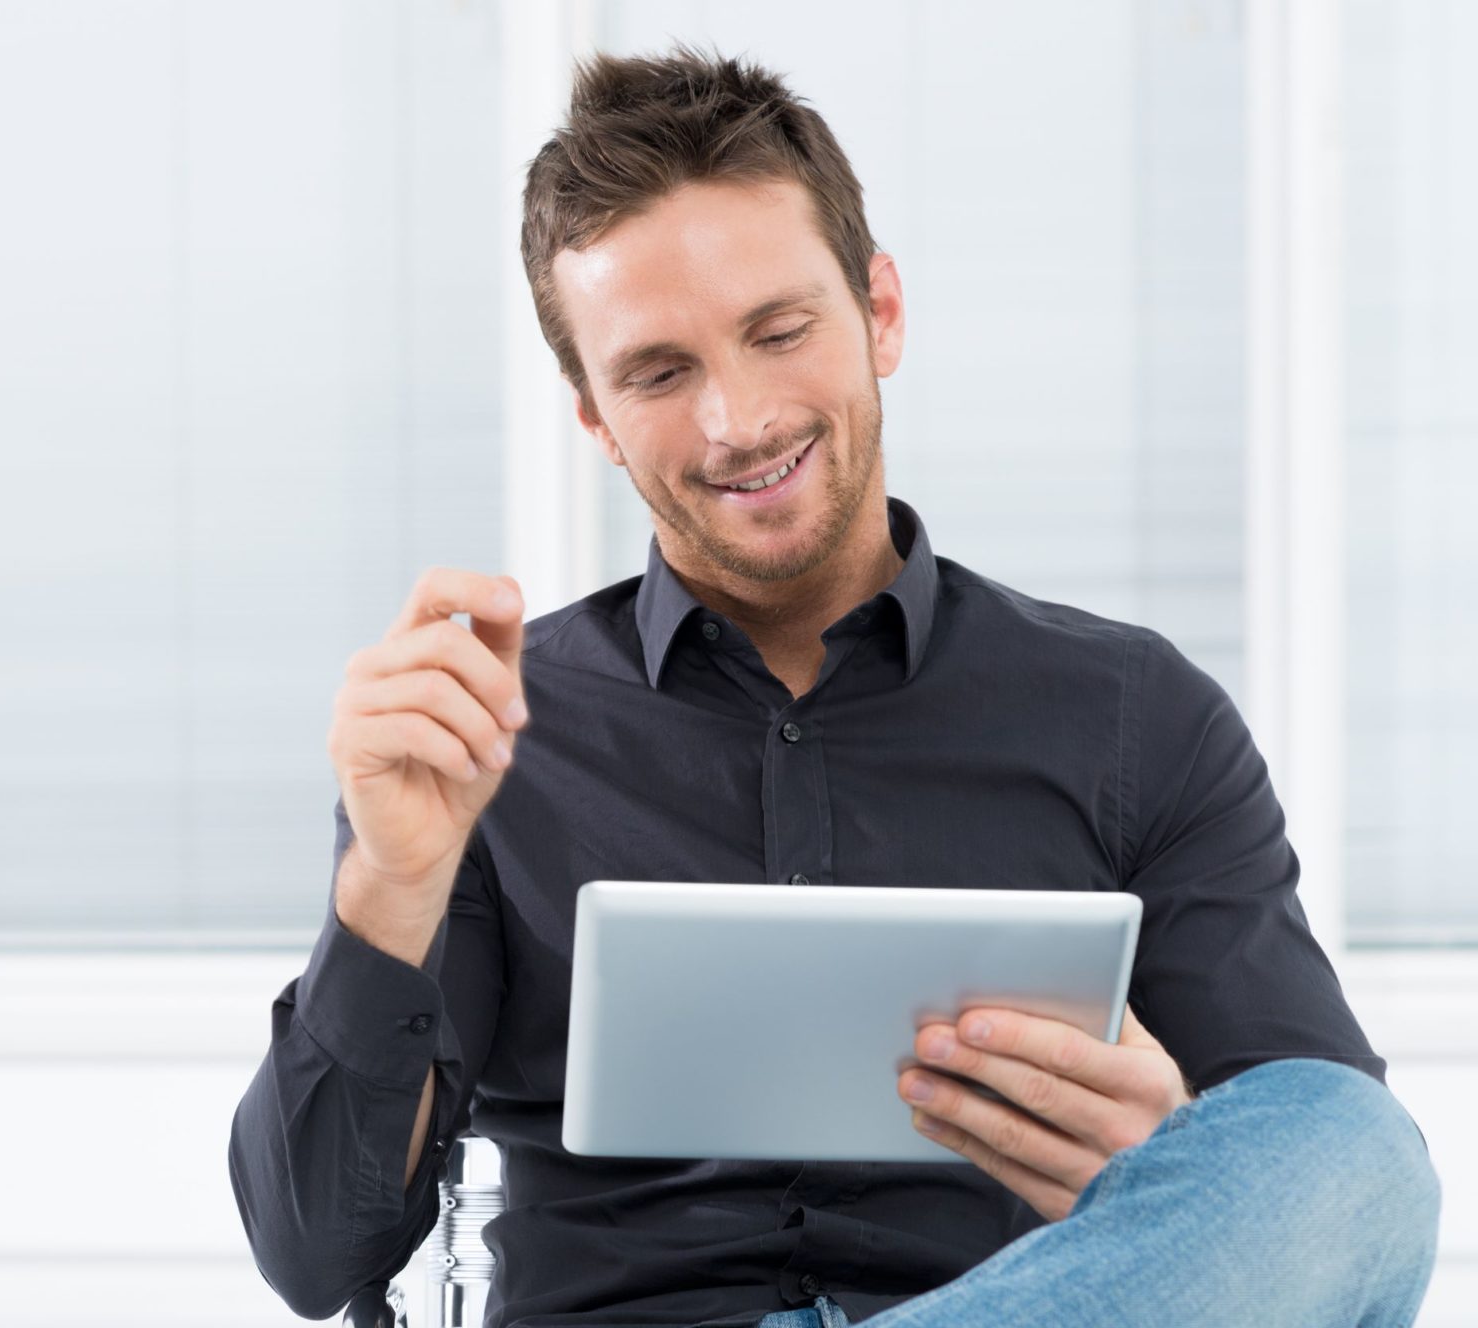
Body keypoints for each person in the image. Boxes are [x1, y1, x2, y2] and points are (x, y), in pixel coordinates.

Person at [226, 42, 1440, 1328]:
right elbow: (316, 1257)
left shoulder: (1134, 717)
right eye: (658, 371)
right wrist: (391, 886)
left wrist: (1175, 1150)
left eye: (778, 331)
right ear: (593, 415)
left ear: (882, 314)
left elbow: (1334, 1197)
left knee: (1349, 1141)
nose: (736, 419)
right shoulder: (484, 738)